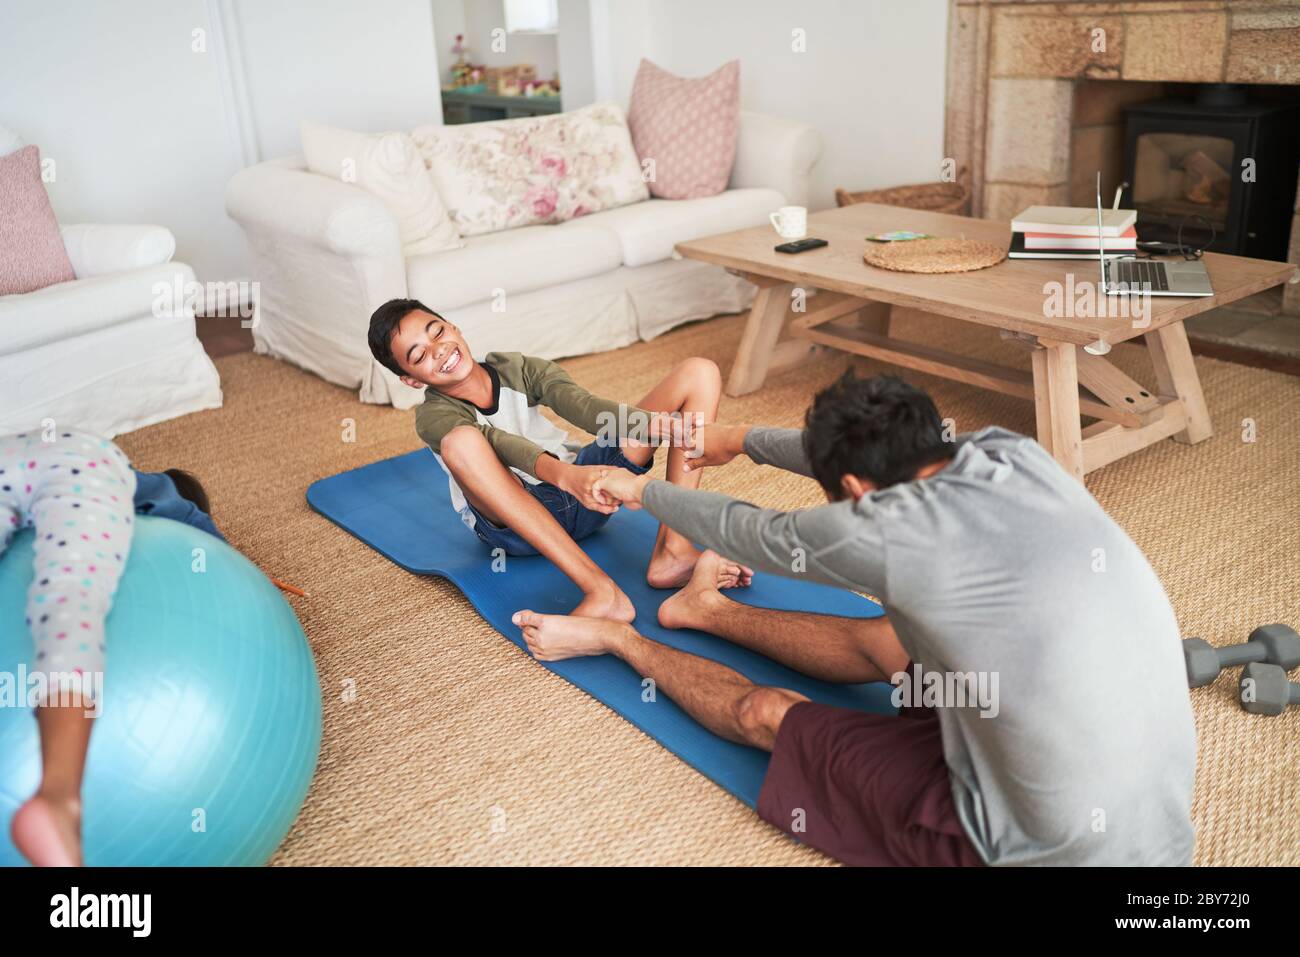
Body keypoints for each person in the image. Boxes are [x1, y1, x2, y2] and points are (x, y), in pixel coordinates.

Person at [513, 373, 1198, 866]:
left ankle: (618, 636)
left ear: (858, 494)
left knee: (765, 712)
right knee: (890, 639)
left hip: (1028, 845)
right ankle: (704, 608)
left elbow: (749, 529)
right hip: (1157, 829)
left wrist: (640, 488)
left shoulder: (887, 537)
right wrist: (739, 439)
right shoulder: (1009, 452)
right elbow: (868, 458)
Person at [366, 298, 750, 620]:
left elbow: (584, 407)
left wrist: (662, 428)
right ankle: (601, 590)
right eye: (419, 355)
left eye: (438, 332)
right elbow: (500, 444)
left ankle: (673, 552)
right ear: (412, 380)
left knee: (699, 372)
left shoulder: (515, 367)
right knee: (461, 443)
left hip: (586, 493)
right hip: (518, 523)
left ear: (454, 327)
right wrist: (566, 476)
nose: (439, 351)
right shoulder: (433, 417)